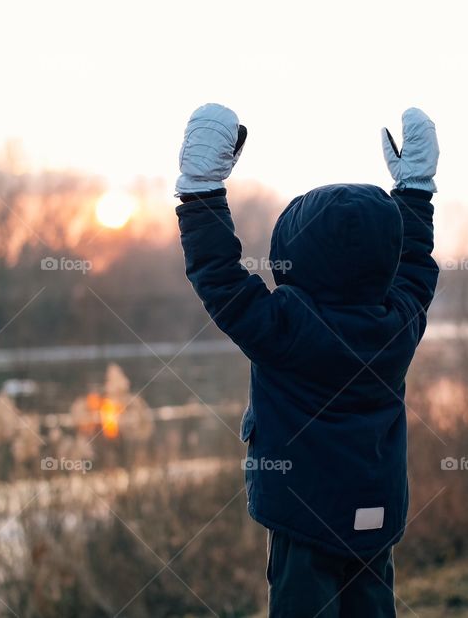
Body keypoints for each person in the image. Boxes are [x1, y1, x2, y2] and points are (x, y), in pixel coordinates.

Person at [175, 103, 439, 617]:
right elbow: (414, 264)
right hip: (376, 512)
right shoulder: (399, 321)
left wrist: (200, 192)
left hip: (303, 516)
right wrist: (415, 191)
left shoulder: (284, 328)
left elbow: (219, 278)